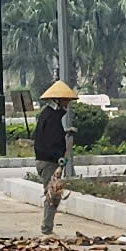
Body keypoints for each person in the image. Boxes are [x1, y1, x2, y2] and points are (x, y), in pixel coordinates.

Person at [34, 81, 78, 235]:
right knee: (53, 194)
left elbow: (47, 137)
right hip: (49, 162)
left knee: (52, 193)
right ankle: (47, 229)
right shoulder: (52, 118)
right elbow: (52, 142)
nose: (67, 103)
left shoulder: (47, 115)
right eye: (65, 100)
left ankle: (48, 227)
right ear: (57, 101)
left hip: (43, 159)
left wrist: (65, 132)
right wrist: (60, 163)